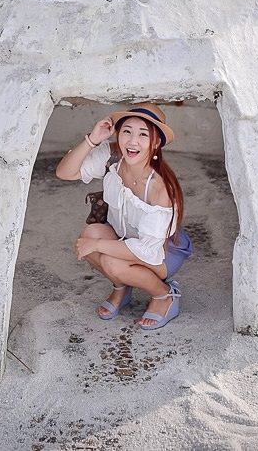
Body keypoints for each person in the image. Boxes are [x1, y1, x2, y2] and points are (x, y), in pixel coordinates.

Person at [55, 103, 192, 330]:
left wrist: (97, 244)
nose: (132, 141)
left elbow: (148, 250)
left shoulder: (160, 188)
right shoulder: (114, 157)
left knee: (107, 257)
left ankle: (164, 295)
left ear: (156, 142)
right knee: (89, 234)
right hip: (127, 238)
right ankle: (122, 287)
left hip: (162, 251)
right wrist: (93, 139)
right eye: (127, 131)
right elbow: (65, 172)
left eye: (143, 134)